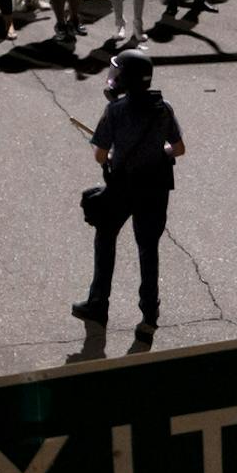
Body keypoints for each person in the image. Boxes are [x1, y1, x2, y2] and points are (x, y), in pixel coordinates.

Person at [73, 48, 182, 341]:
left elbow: (100, 154)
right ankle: (149, 316)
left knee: (105, 237)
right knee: (148, 249)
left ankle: (98, 303)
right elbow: (178, 148)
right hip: (156, 188)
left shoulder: (115, 111)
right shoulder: (163, 108)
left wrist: (113, 155)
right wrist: (160, 151)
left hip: (123, 186)